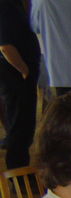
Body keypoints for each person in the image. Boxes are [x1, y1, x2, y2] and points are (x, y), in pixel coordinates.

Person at [0, 0, 40, 169]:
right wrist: (24, 70)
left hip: (20, 75)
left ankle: (21, 168)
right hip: (15, 76)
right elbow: (5, 46)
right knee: (20, 125)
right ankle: (18, 173)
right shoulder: (5, 7)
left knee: (23, 124)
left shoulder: (14, 5)